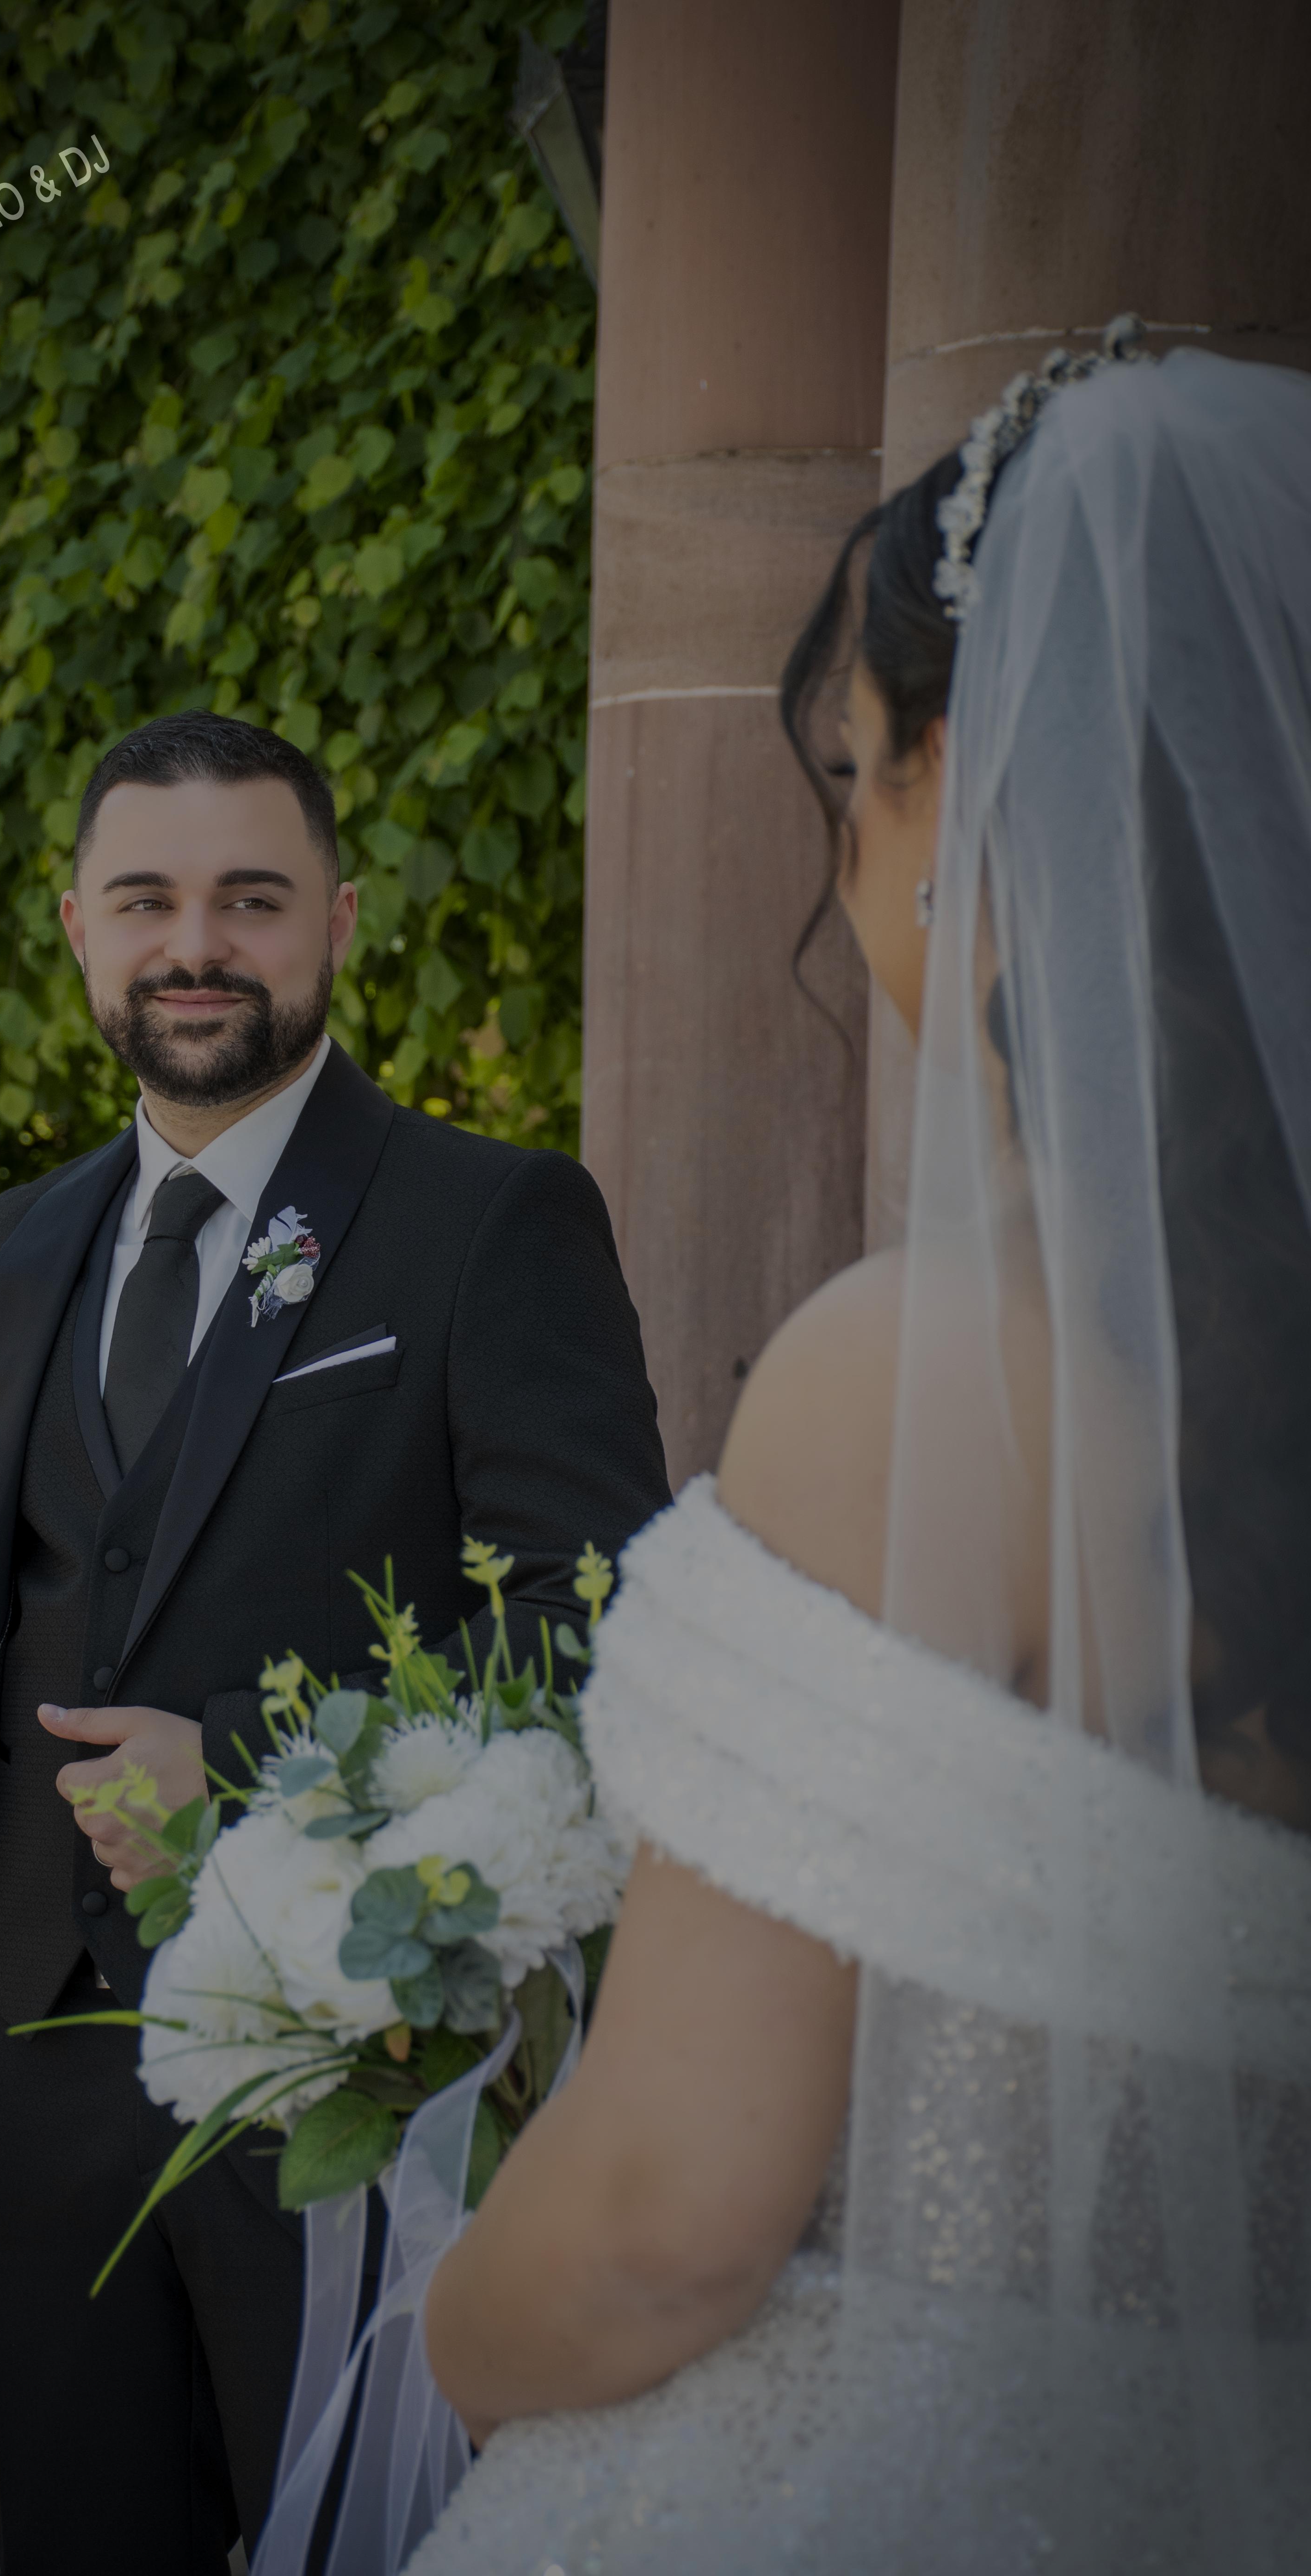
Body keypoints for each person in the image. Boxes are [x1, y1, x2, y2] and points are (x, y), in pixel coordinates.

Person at [409, 342, 1311, 2573]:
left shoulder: (925, 1380)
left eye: (856, 766)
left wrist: (437, 2346)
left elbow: (664, 2226)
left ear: (972, 790)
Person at [0, 712, 671, 2575]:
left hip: (343, 2082)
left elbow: (597, 1622)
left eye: (253, 897)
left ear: (341, 921)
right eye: (147, 900)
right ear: (78, 927)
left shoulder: (488, 1221)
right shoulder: (18, 1245)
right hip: (21, 2092)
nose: (196, 944)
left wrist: (233, 1758)